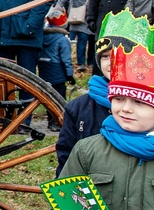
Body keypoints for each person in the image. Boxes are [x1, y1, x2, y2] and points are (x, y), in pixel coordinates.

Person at [58, 36, 154, 210]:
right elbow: (65, 200)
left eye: (138, 102)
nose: (125, 108)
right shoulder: (88, 150)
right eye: (119, 98)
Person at [54, 9, 153, 175]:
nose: (111, 62)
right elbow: (66, 157)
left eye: (120, 55)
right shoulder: (79, 108)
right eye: (105, 56)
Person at [54, 0, 97, 72]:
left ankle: (92, 62)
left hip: (93, 16)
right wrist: (57, 9)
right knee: (82, 39)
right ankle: (81, 62)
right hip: (80, 16)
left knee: (93, 40)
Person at [37, 17, 75, 131]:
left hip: (44, 68)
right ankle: (58, 120)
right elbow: (66, 59)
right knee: (59, 96)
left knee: (48, 95)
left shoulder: (42, 36)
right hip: (57, 69)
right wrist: (69, 75)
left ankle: (50, 120)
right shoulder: (63, 39)